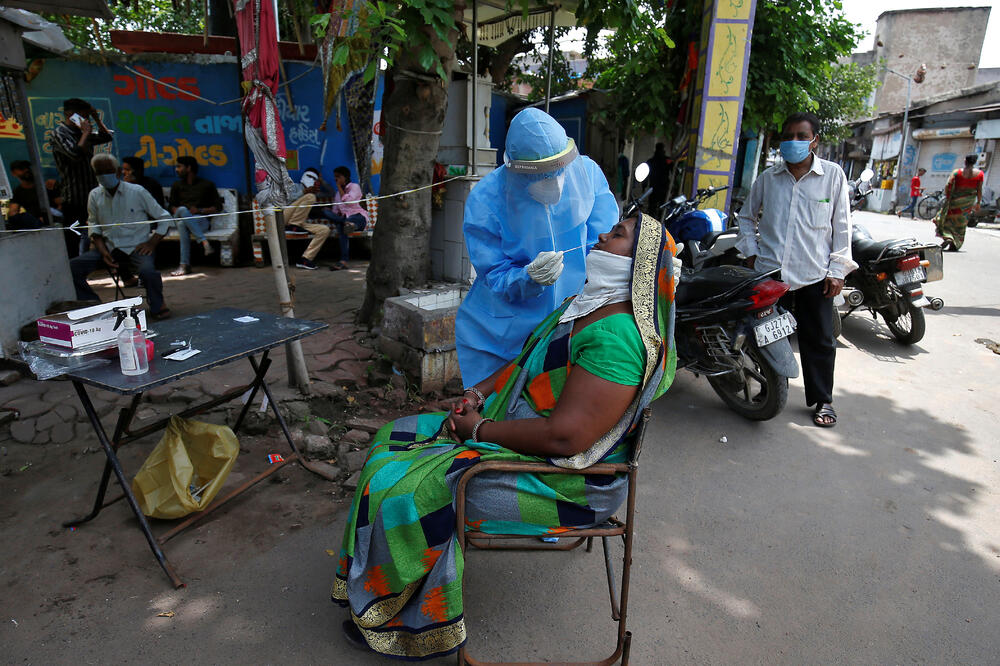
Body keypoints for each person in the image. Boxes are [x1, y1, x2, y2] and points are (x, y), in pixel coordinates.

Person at [332, 213, 677, 659]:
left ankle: (398, 616)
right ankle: (381, 584)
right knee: (391, 436)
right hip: (513, 434)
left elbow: (565, 440)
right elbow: (523, 360)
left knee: (402, 490)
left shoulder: (618, 339)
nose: (601, 235)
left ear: (641, 264)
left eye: (618, 235)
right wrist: (476, 394)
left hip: (563, 481)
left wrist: (478, 428)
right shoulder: (585, 305)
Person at [455, 108, 619, 386]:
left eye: (558, 171)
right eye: (541, 175)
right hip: (505, 333)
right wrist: (527, 279)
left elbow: (608, 245)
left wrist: (646, 269)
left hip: (574, 320)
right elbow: (494, 273)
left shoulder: (588, 175)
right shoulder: (486, 199)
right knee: (498, 401)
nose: (553, 183)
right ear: (516, 170)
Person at [737, 111, 856, 428]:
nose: (794, 142)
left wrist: (838, 270)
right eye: (788, 136)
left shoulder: (832, 176)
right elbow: (746, 217)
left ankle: (822, 399)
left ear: (815, 141)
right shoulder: (768, 178)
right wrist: (751, 253)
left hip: (814, 276)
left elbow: (842, 227)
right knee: (763, 337)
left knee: (819, 341)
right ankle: (766, 389)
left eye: (802, 136)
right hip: (770, 275)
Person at [69, 154, 172, 319]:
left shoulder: (137, 191)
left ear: (118, 172)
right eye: (99, 172)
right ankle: (94, 306)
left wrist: (151, 243)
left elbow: (164, 218)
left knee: (149, 272)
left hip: (137, 246)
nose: (104, 175)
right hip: (109, 248)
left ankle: (158, 305)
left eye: (108, 171)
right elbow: (94, 227)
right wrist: (103, 252)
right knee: (72, 268)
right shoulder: (95, 195)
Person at [49, 98, 113, 256]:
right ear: (70, 115)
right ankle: (73, 266)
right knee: (74, 236)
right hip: (74, 197)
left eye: (87, 117)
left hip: (92, 194)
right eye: (83, 116)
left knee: (101, 233)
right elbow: (74, 154)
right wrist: (85, 133)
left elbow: (106, 137)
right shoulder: (59, 133)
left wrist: (96, 119)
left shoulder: (83, 132)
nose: (85, 120)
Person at [168, 156, 221, 275]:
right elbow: (171, 206)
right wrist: (181, 211)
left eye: (179, 166)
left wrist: (199, 210)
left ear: (189, 168)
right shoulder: (176, 185)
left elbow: (217, 207)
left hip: (200, 221)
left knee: (183, 225)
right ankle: (204, 241)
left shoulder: (207, 185)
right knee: (182, 210)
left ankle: (184, 266)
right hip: (179, 216)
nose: (176, 169)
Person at [283, 167, 333, 270]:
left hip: (298, 224)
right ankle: (293, 226)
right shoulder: (294, 186)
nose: (312, 180)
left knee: (324, 230)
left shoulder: (314, 192)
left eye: (315, 179)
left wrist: (322, 181)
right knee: (310, 197)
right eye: (310, 177)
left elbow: (331, 193)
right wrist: (304, 192)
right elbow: (286, 200)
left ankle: (305, 259)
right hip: (284, 218)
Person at [321, 165, 368, 271]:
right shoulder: (338, 194)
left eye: (338, 176)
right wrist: (330, 212)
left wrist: (339, 187)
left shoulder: (354, 187)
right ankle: (348, 224)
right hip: (344, 220)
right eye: (335, 177)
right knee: (328, 214)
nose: (336, 179)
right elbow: (335, 211)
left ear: (345, 177)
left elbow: (348, 201)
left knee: (347, 222)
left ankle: (343, 260)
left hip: (358, 217)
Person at [934, 154, 984, 252]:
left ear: (965, 161)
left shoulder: (957, 172)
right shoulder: (980, 174)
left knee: (947, 220)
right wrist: (978, 202)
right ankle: (955, 243)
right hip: (967, 203)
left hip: (954, 201)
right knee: (961, 223)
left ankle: (948, 236)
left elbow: (949, 184)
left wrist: (948, 197)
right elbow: (979, 189)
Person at [6, 160, 58, 229]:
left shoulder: (46, 185)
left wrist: (49, 217)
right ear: (14, 173)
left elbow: (59, 205)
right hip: (34, 224)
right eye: (21, 169)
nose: (26, 170)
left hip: (53, 220)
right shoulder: (18, 192)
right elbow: (13, 211)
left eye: (27, 168)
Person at [645, 142, 670, 213]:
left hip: (662, 187)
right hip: (655, 187)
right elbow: (646, 174)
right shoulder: (651, 161)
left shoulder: (667, 161)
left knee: (661, 207)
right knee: (653, 207)